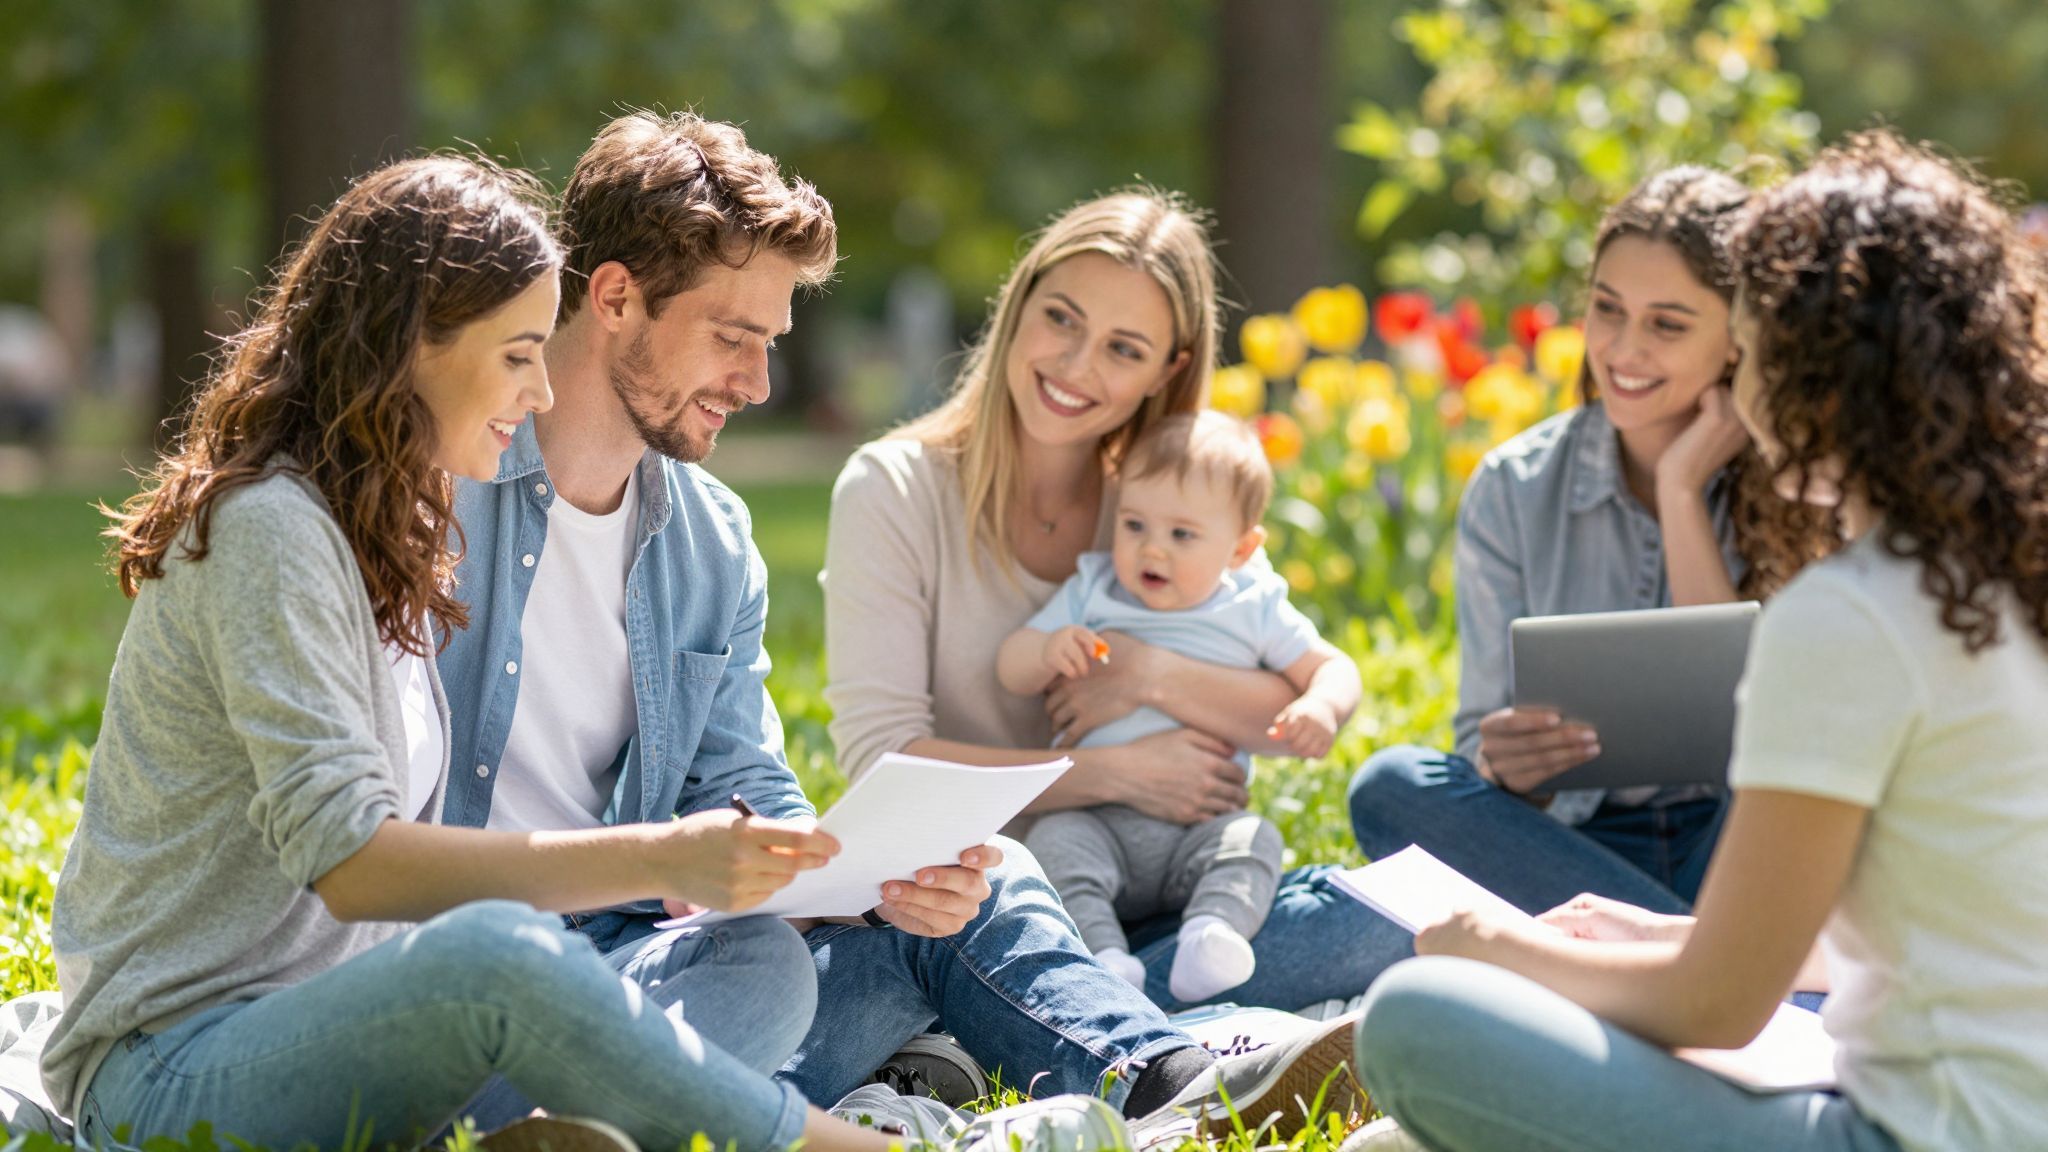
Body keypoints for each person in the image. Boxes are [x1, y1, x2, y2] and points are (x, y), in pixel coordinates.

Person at [433, 117, 1358, 1134]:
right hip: (474, 990)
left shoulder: (711, 539)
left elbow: (743, 787)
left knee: (971, 882)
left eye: (770, 345)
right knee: (762, 978)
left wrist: (860, 882)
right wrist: (674, 866)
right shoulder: (435, 500)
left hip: (665, 973)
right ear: (613, 298)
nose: (759, 384)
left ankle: (1167, 1085)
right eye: (733, 338)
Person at [39, 155, 908, 1152]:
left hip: (369, 1030)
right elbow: (350, 861)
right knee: (502, 956)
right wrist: (665, 855)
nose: (541, 391)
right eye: (518, 354)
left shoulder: (391, 528)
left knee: (751, 969)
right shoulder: (273, 527)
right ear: (414, 346)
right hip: (174, 1067)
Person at [1356, 129, 2048, 1152]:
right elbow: (1928, 924)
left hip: (1901, 1133)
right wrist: (1654, 932)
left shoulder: (1850, 611)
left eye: (1749, 346)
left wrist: (1500, 947)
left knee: (1411, 1022)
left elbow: (1717, 1006)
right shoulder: (1994, 574)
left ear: (1814, 375)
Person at [823, 187, 1412, 1029]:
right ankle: (1113, 1009)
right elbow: (884, 761)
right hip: (988, 894)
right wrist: (1109, 773)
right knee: (981, 937)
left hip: (1174, 881)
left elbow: (1287, 710)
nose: (1076, 366)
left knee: (1376, 916)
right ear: (1019, 301)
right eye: (1061, 318)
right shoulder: (892, 490)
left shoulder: (1165, 505)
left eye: (1124, 349)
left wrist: (1147, 674)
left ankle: (1084, 1007)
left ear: (1167, 371)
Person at [1348, 166, 1825, 914]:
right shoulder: (1514, 487)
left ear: (1738, 340)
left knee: (1790, 782)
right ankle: (1692, 951)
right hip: (1570, 847)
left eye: (1667, 324)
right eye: (1608, 309)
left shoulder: (1803, 484)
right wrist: (1512, 770)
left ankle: (1629, 949)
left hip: (1733, 841)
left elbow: (1763, 738)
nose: (1623, 349)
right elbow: (1480, 740)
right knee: (1390, 787)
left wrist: (1681, 492)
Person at [998, 410, 1361, 1002]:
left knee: (1253, 839)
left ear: (1241, 549)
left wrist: (1322, 705)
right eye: (1134, 524)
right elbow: (1010, 665)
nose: (1152, 549)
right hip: (1097, 819)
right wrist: (1044, 649)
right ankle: (1104, 958)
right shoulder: (1093, 589)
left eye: (1182, 535)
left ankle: (1210, 937)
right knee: (1054, 844)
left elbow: (1334, 667)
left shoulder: (1252, 606)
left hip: (1201, 827)